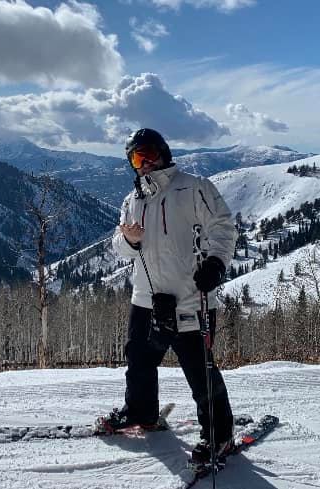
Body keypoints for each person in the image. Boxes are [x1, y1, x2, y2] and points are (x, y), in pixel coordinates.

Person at [98, 128, 238, 464]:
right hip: (146, 298)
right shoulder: (132, 201)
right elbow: (120, 249)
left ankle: (219, 434)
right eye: (136, 158)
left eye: (149, 155)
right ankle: (141, 413)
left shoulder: (193, 188)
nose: (144, 163)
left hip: (190, 298)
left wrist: (216, 263)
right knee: (139, 362)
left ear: (164, 153)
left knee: (199, 370)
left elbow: (223, 227)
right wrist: (129, 240)